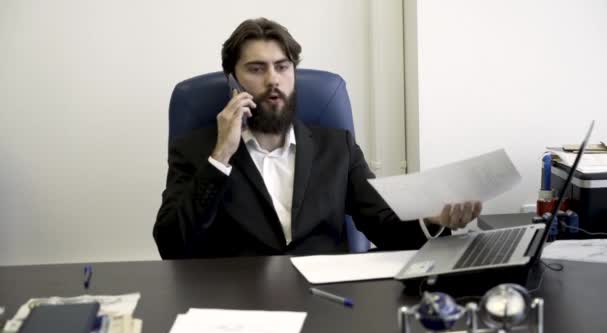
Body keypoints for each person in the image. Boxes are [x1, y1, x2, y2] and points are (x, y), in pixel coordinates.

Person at [153, 18, 482, 259]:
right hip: (237, 305)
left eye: (282, 67)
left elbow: (383, 226)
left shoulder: (337, 146)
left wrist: (435, 221)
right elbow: (171, 245)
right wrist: (221, 156)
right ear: (232, 82)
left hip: (327, 299)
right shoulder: (199, 150)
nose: (273, 80)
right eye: (256, 69)